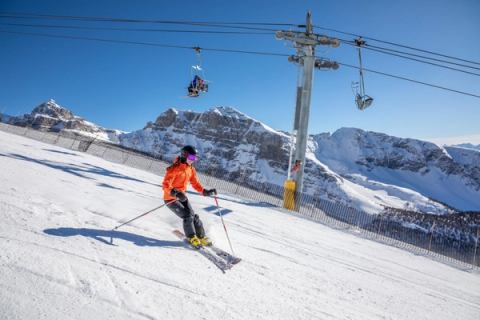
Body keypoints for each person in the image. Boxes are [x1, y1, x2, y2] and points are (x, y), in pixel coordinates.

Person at [163, 145, 217, 247]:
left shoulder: (191, 169)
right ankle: (191, 237)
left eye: (195, 158)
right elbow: (165, 184)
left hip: (182, 196)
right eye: (192, 158)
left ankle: (201, 236)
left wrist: (205, 191)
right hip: (170, 198)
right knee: (187, 216)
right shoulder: (174, 168)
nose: (193, 160)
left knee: (193, 216)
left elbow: (195, 183)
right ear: (184, 155)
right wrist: (175, 192)